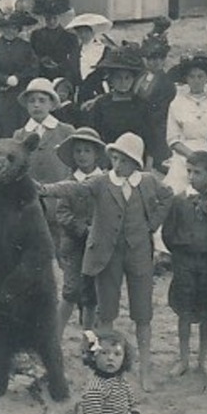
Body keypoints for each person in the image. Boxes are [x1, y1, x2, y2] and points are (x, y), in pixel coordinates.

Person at [72, 132, 172, 389]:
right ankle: (104, 369)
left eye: (125, 160)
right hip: (108, 256)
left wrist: (152, 223)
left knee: (143, 314)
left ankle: (145, 370)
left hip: (138, 254)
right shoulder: (102, 182)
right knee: (107, 312)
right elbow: (74, 188)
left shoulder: (148, 182)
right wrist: (46, 189)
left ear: (136, 162)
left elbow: (168, 196)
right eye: (115, 158)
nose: (118, 164)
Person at [161, 149, 207, 378]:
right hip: (184, 262)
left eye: (198, 172)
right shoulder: (178, 200)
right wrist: (179, 250)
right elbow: (167, 232)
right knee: (183, 311)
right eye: (189, 172)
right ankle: (183, 358)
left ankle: (202, 359)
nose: (193, 176)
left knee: (206, 312)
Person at [51, 128, 107, 332]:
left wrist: (99, 230)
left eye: (87, 151)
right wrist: (81, 228)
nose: (82, 156)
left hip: (98, 247)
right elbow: (62, 213)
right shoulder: (69, 182)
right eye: (78, 151)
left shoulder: (104, 181)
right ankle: (55, 337)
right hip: (73, 245)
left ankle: (89, 338)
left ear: (96, 155)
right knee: (71, 290)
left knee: (92, 294)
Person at [163, 52, 207, 194]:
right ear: (186, 79)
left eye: (200, 76)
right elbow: (173, 139)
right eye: (192, 77)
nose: (196, 81)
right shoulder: (177, 103)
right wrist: (192, 157)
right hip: (186, 155)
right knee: (178, 192)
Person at [0, 0, 40, 138]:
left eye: (14, 27)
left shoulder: (26, 47)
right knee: (0, 124)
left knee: (20, 123)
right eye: (7, 27)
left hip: (20, 93)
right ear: (1, 29)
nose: (11, 31)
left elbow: (33, 68)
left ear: (18, 29)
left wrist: (18, 78)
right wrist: (4, 79)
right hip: (0, 94)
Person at [79, 45, 152, 153]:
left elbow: (150, 137)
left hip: (136, 156)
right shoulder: (101, 103)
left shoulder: (141, 104)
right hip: (108, 155)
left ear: (133, 79)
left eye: (127, 78)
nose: (123, 82)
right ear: (111, 80)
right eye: (118, 77)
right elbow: (94, 134)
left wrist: (148, 165)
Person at [134, 22, 177, 174]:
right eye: (151, 58)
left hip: (156, 133)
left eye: (160, 58)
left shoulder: (167, 84)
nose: (156, 62)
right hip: (139, 128)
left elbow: (159, 117)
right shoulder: (141, 76)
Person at [18, 77, 77, 185]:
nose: (36, 105)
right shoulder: (19, 135)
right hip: (29, 196)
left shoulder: (66, 131)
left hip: (59, 196)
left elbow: (75, 165)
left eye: (42, 100)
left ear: (51, 104)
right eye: (31, 101)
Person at [29, 0, 82, 91]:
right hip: (42, 76)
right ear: (44, 18)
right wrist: (41, 61)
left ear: (59, 17)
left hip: (63, 77)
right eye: (48, 19)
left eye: (54, 18)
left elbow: (73, 60)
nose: (51, 22)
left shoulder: (70, 37)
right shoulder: (36, 35)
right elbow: (31, 56)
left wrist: (59, 66)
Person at [68, 13, 117, 100]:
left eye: (85, 31)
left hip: (99, 92)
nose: (83, 35)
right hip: (81, 93)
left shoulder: (104, 50)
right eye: (80, 32)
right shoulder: (75, 52)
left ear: (92, 32)